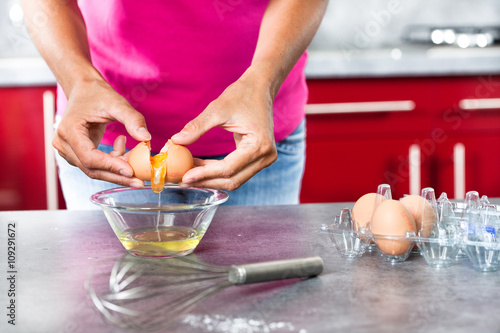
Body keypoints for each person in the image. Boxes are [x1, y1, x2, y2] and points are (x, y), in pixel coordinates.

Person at [22, 0, 328, 209]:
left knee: (255, 300)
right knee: (118, 296)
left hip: (252, 141)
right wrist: (79, 81)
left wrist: (262, 82)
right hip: (104, 142)